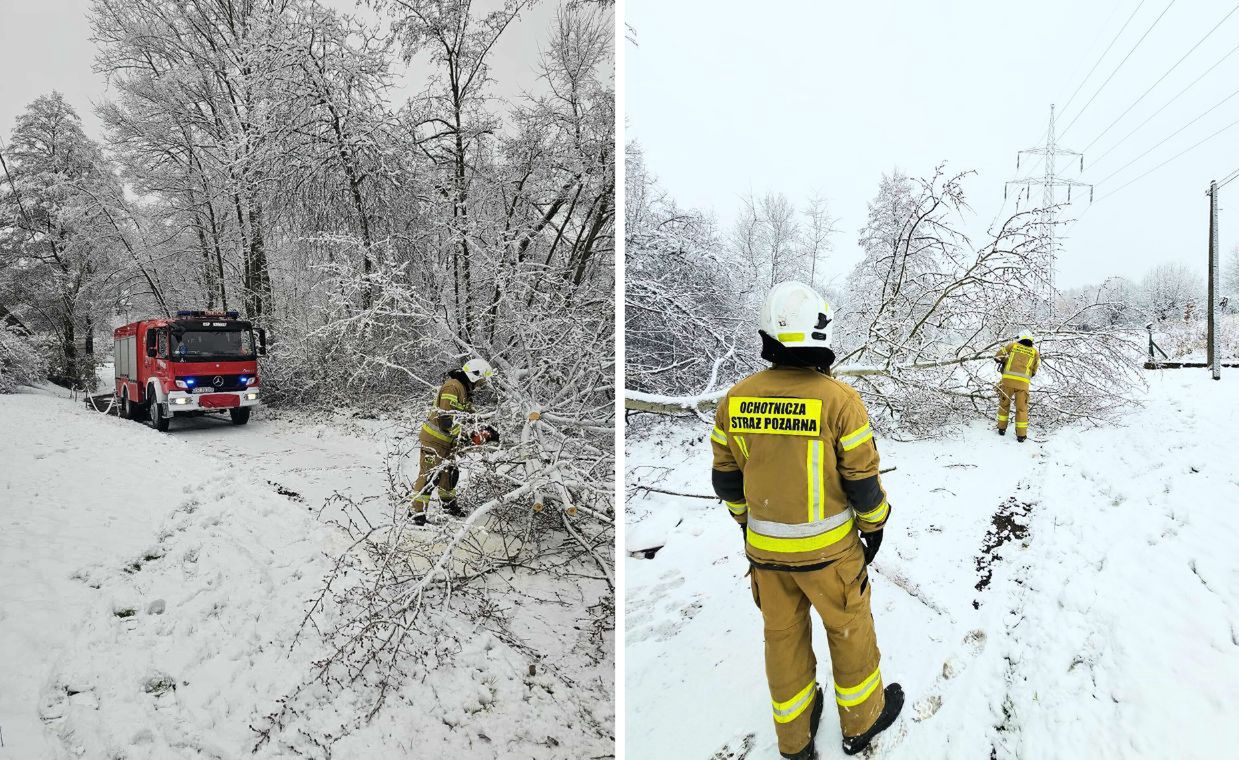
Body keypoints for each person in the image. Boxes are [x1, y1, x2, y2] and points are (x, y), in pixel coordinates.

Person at [710, 281, 904, 758]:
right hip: (831, 558)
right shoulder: (840, 401)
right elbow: (862, 482)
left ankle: (794, 741)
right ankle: (863, 720)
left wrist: (746, 523)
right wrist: (875, 525)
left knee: (783, 640)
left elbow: (726, 480)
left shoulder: (735, 399)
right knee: (849, 631)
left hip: (767, 557)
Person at [410, 357, 498, 525]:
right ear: (474, 375)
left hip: (447, 442)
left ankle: (448, 505)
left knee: (449, 474)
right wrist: (467, 436)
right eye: (481, 380)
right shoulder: (453, 387)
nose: (481, 385)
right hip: (434, 441)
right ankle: (416, 512)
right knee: (430, 476)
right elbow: (446, 420)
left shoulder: (465, 390)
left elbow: (469, 417)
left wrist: (485, 429)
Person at [994, 332, 1040, 442]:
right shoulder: (1035, 352)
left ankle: (1001, 429)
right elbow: (1034, 370)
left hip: (1007, 382)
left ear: (1020, 337)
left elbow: (998, 356)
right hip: (1023, 384)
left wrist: (1005, 361)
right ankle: (1021, 436)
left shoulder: (1012, 345)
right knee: (1022, 409)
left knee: (1004, 405)